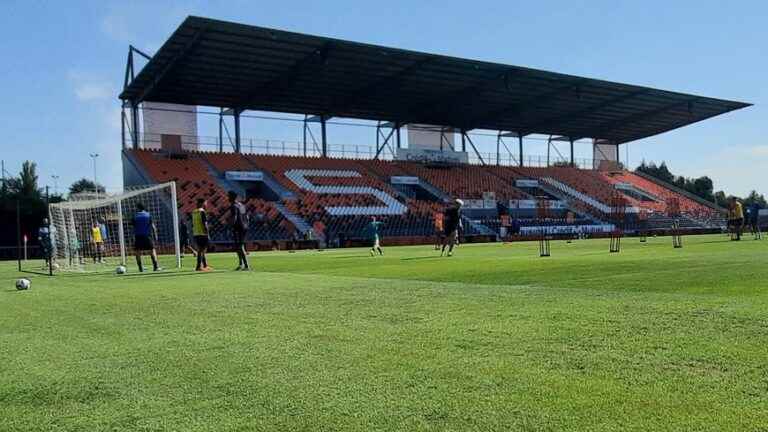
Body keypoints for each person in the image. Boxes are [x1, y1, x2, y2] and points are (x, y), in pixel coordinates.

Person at [132, 202, 161, 272]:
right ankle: (155, 267)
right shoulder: (148, 215)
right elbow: (153, 227)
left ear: (138, 208)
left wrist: (132, 238)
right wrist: (156, 236)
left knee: (137, 252)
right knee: (152, 251)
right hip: (147, 236)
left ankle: (140, 268)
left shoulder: (135, 216)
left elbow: (133, 228)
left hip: (138, 236)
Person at [227, 191, 250, 271]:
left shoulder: (233, 206)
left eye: (228, 196)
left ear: (231, 197)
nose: (227, 198)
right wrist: (246, 225)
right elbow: (247, 217)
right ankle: (241, 264)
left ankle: (246, 265)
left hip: (238, 227)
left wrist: (230, 226)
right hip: (244, 227)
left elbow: (235, 217)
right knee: (238, 246)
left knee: (239, 246)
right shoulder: (241, 205)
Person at [191, 198, 212, 271]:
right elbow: (204, 224)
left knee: (201, 249)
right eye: (205, 203)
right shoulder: (202, 212)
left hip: (196, 233)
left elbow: (193, 224)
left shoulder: (194, 212)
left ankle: (205, 265)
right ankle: (198, 266)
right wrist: (207, 233)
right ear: (202, 203)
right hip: (202, 233)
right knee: (201, 250)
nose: (206, 205)